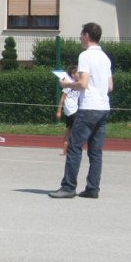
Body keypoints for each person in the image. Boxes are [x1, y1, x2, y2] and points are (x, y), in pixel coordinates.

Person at [50, 22, 113, 199]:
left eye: (81, 34)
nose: (79, 37)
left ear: (86, 35)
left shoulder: (85, 56)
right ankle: (93, 188)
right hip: (103, 107)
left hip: (88, 107)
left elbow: (83, 84)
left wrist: (67, 84)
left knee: (74, 147)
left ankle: (68, 187)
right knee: (95, 151)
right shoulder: (105, 58)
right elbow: (109, 86)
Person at [55, 64, 80, 155]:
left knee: (69, 129)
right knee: (75, 129)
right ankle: (72, 149)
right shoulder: (69, 84)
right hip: (70, 111)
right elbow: (62, 98)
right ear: (73, 74)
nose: (80, 74)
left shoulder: (78, 84)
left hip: (75, 110)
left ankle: (65, 150)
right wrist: (59, 111)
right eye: (78, 73)